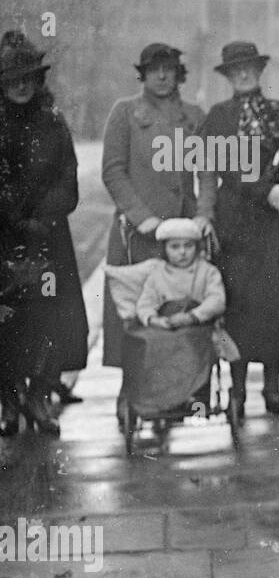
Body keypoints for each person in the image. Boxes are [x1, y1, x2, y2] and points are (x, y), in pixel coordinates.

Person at [199, 41, 279, 423]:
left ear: (259, 70)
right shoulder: (217, 118)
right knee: (238, 306)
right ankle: (238, 391)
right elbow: (225, 168)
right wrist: (266, 191)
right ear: (228, 76)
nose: (244, 74)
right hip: (236, 228)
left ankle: (272, 387)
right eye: (236, 70)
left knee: (277, 303)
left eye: (249, 67)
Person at [101, 43, 212, 424]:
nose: (162, 76)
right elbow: (113, 171)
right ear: (143, 75)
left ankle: (177, 389)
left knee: (178, 307)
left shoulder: (194, 117)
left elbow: (207, 174)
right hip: (139, 234)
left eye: (169, 69)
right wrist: (144, 219)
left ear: (179, 74)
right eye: (154, 70)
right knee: (134, 312)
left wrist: (203, 216)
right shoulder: (125, 113)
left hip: (182, 235)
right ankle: (129, 389)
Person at [0, 30, 89, 437]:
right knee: (7, 323)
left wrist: (43, 218)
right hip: (4, 237)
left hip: (49, 239)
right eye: (12, 79)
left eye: (28, 78)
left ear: (39, 81)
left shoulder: (52, 123)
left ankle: (38, 398)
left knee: (49, 320)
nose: (21, 85)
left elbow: (67, 178)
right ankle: (9, 402)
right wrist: (17, 218)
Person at [136, 218, 226, 329]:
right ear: (164, 249)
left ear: (197, 247)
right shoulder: (157, 273)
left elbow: (217, 300)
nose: (182, 252)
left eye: (188, 246)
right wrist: (154, 320)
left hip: (199, 325)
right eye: (174, 247)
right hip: (166, 328)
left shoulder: (208, 271)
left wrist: (192, 316)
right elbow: (145, 304)